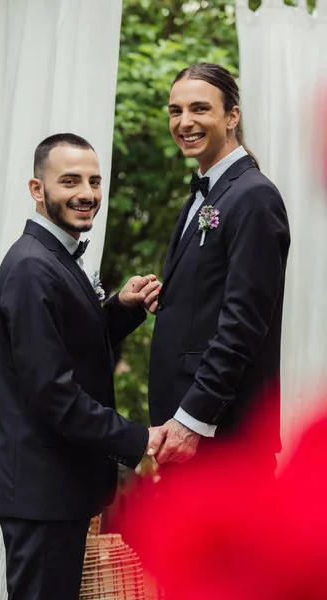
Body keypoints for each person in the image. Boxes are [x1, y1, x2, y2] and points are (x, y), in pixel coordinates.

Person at [0, 133, 160, 600]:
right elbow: (54, 393)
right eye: (70, 181)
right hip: (43, 490)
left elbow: (71, 345)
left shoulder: (56, 256)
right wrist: (139, 439)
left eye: (95, 181)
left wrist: (122, 307)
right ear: (37, 189)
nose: (87, 193)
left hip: (53, 487)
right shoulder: (33, 268)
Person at [147, 63, 290, 473]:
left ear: (232, 116)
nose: (184, 122)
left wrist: (193, 420)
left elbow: (243, 323)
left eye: (199, 109)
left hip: (223, 437)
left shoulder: (254, 197)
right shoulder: (205, 195)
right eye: (175, 111)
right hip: (188, 429)